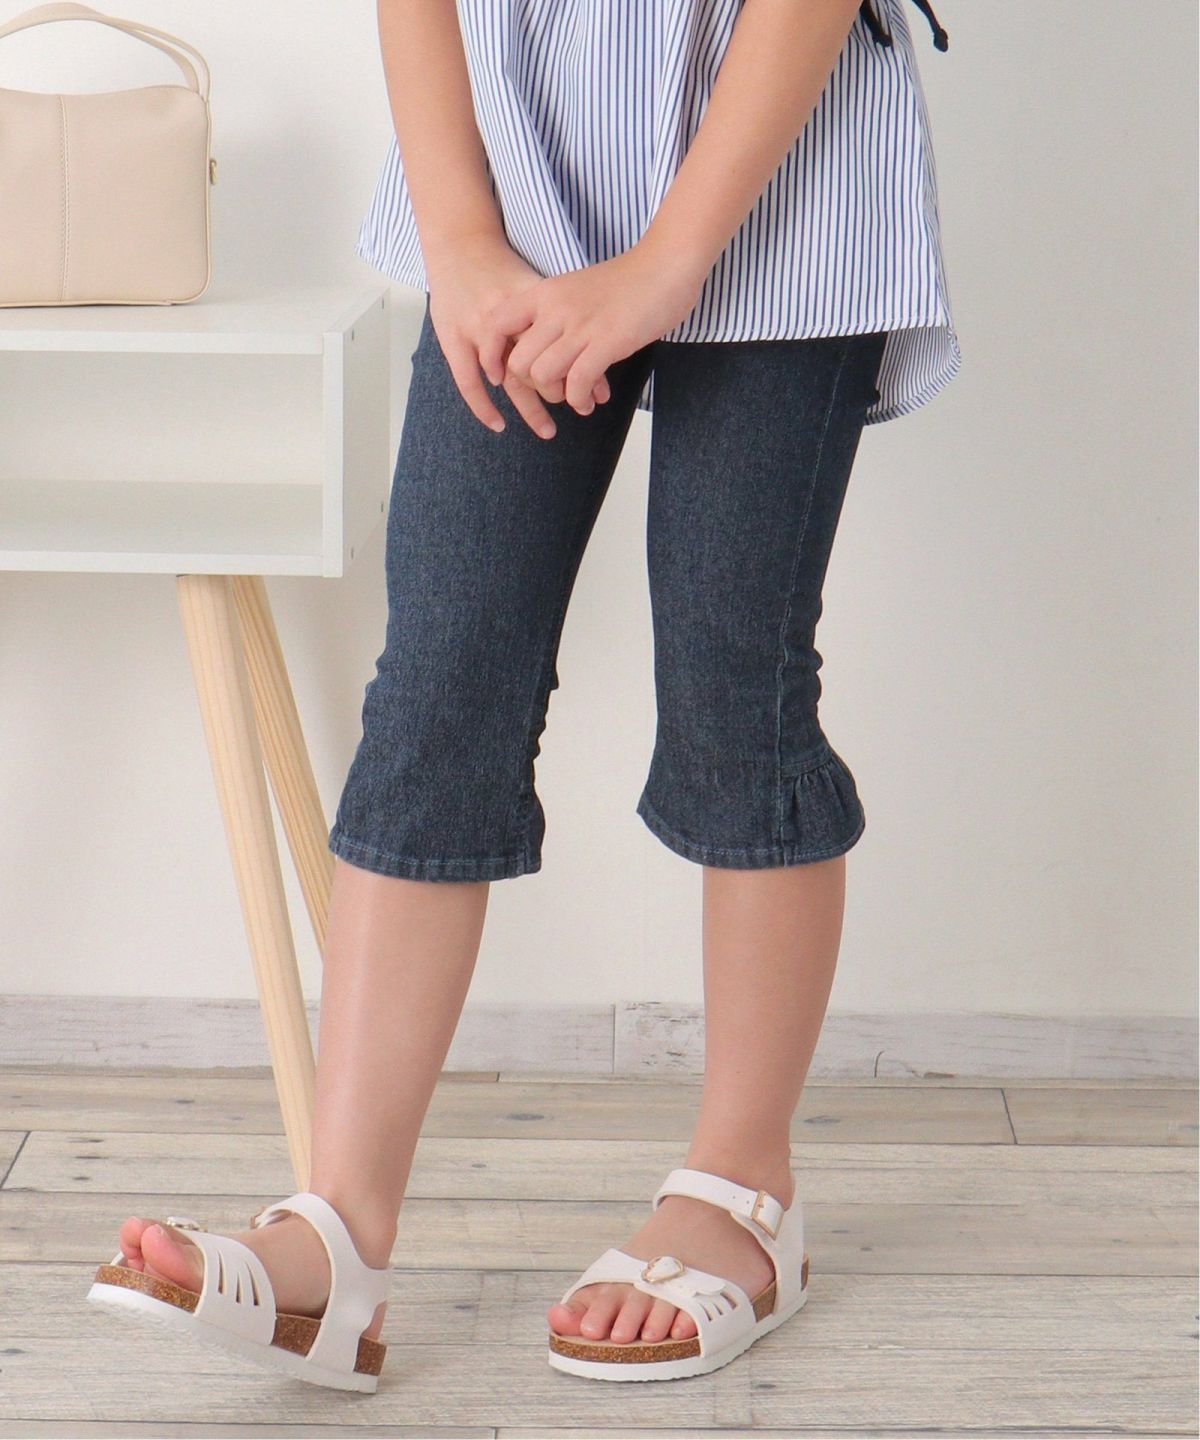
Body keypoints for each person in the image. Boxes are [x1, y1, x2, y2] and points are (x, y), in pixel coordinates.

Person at [88, 0, 959, 1391]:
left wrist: (666, 266)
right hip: (514, 184)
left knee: (738, 686)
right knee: (440, 690)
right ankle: (337, 1234)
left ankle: (743, 1193)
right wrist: (461, 242)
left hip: (779, 192)